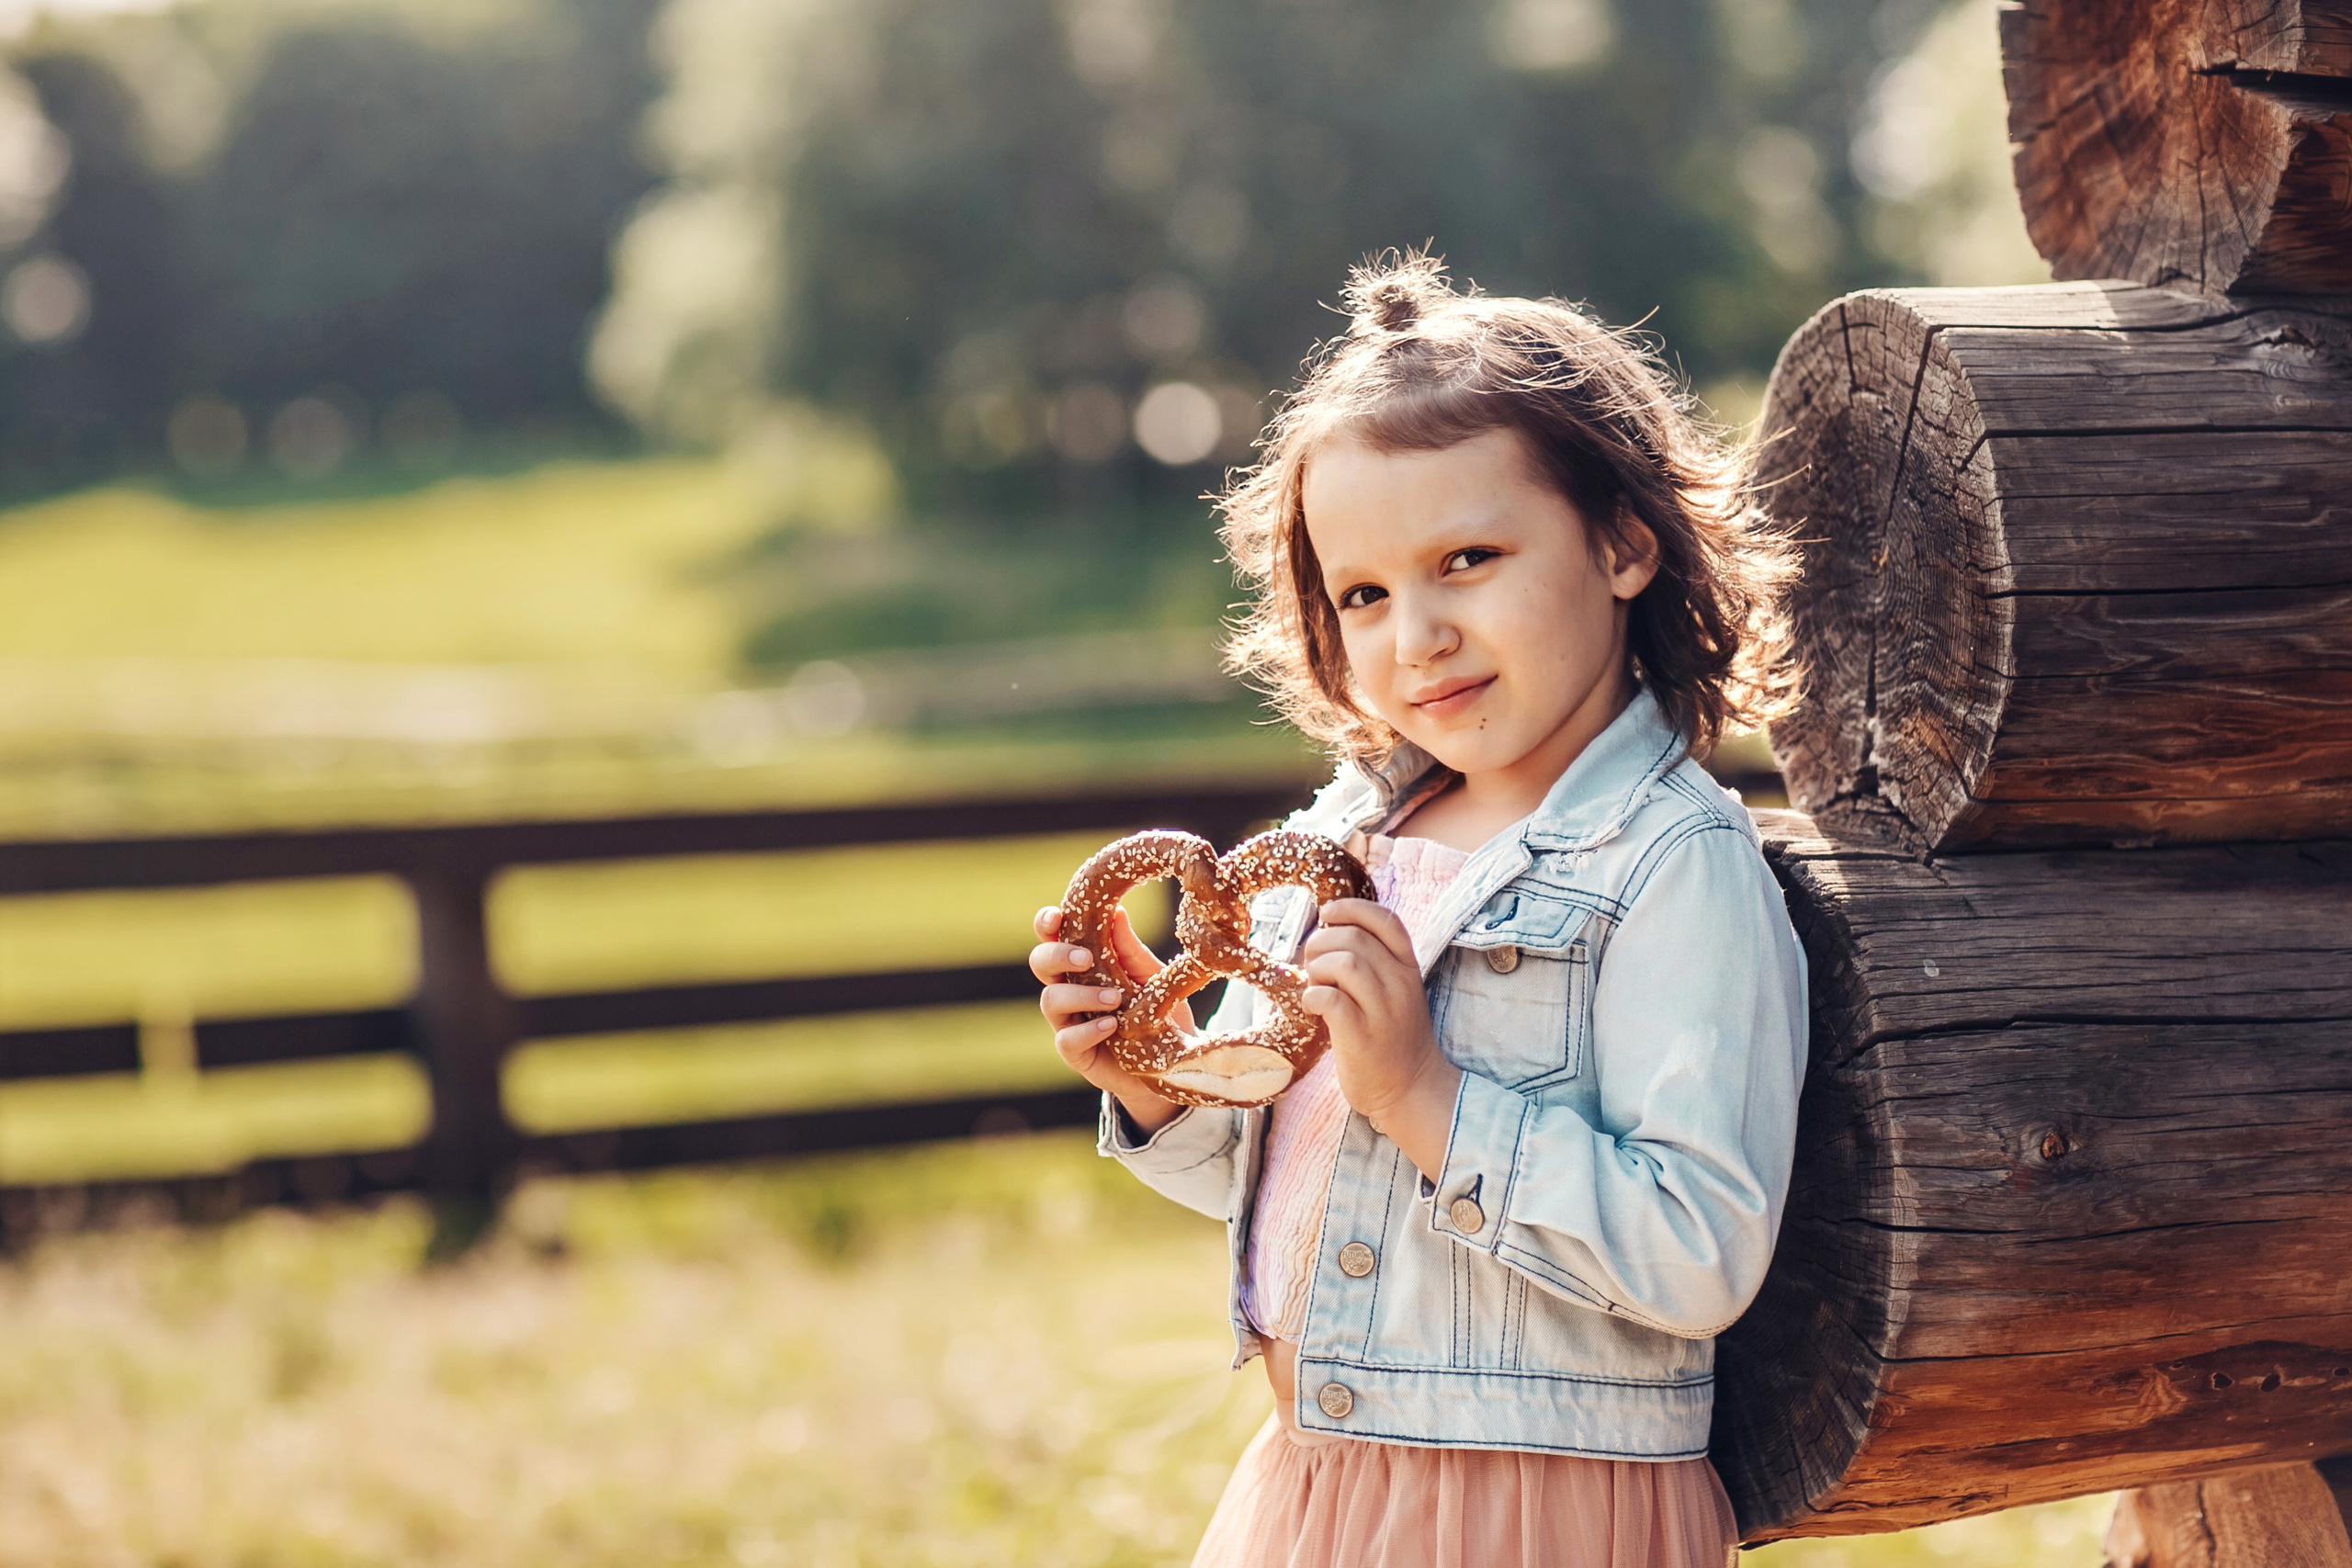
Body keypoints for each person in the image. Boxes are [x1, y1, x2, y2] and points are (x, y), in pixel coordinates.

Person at [1029, 251, 1808, 1568]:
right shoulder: (1342, 839)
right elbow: (1305, 1167)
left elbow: (1698, 1252)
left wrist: (1430, 1096)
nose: (1417, 635)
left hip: (1536, 1516)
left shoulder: (1672, 862)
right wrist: (1159, 1084)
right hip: (1315, 1489)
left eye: (1468, 559)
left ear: (1624, 542)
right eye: (1367, 594)